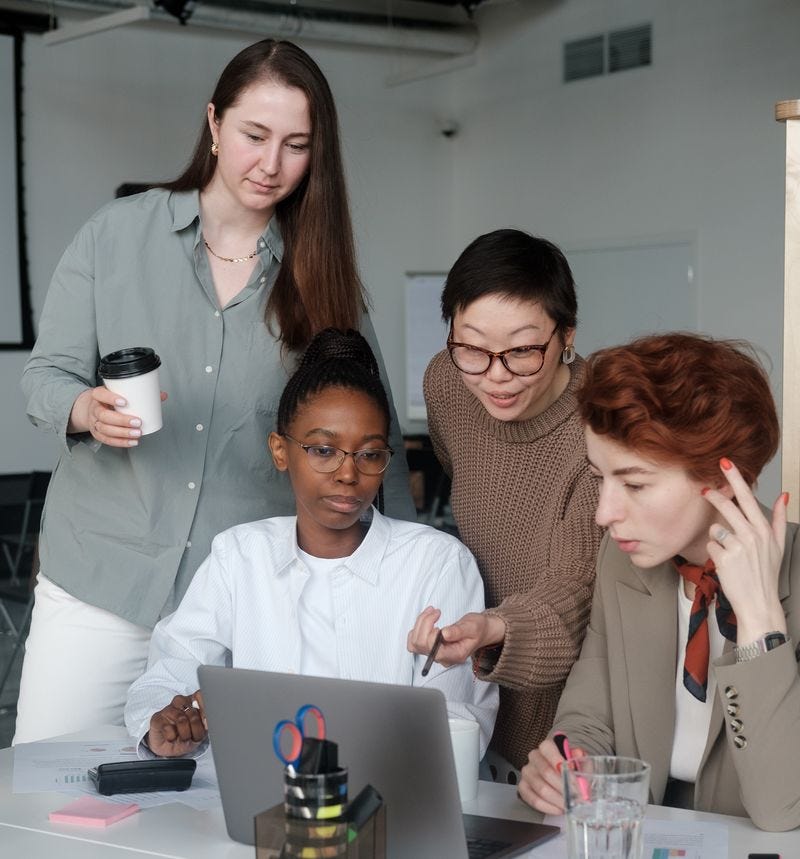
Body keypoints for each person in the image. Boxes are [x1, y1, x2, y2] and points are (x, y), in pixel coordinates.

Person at [16, 39, 414, 744]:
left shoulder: (324, 279)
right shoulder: (116, 237)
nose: (271, 164)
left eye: (296, 145)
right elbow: (44, 376)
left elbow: (375, 436)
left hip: (239, 603)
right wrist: (84, 409)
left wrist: (414, 574)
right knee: (50, 791)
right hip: (100, 578)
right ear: (213, 124)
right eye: (254, 136)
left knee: (211, 811)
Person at [124, 329, 497, 757]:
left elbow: (459, 721)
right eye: (323, 450)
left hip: (388, 803)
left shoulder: (437, 562)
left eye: (370, 454)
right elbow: (168, 671)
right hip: (260, 799)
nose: (347, 474)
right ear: (280, 451)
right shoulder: (240, 556)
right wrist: (167, 722)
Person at [519, 333, 800, 832]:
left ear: (718, 476)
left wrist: (760, 620)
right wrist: (569, 759)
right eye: (599, 478)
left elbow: (783, 809)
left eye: (635, 484)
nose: (605, 513)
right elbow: (591, 709)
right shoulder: (624, 561)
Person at [406, 229, 604, 774]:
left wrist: (495, 628)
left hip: (570, 722)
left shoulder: (598, 425)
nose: (495, 376)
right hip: (475, 704)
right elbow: (468, 478)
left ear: (566, 335)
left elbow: (575, 590)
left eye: (521, 351)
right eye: (472, 346)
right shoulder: (447, 383)